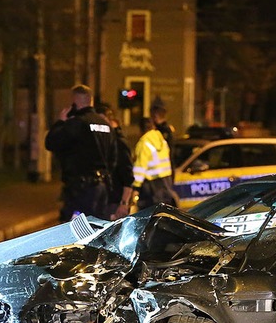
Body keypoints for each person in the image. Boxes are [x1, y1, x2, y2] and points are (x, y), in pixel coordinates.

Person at [44, 84, 119, 222]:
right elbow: (113, 158)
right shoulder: (106, 125)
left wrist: (61, 122)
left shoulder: (77, 124)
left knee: (75, 231)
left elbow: (51, 142)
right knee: (97, 229)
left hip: (81, 190)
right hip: (103, 188)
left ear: (75, 103)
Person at [95, 102, 135, 218]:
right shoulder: (103, 142)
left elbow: (128, 177)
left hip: (115, 202)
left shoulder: (119, 143)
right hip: (104, 200)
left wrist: (124, 203)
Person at [131, 116, 180, 210]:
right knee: (163, 212)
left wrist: (136, 188)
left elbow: (140, 167)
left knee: (149, 214)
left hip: (151, 186)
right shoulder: (161, 140)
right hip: (165, 181)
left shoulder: (144, 142)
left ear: (141, 129)